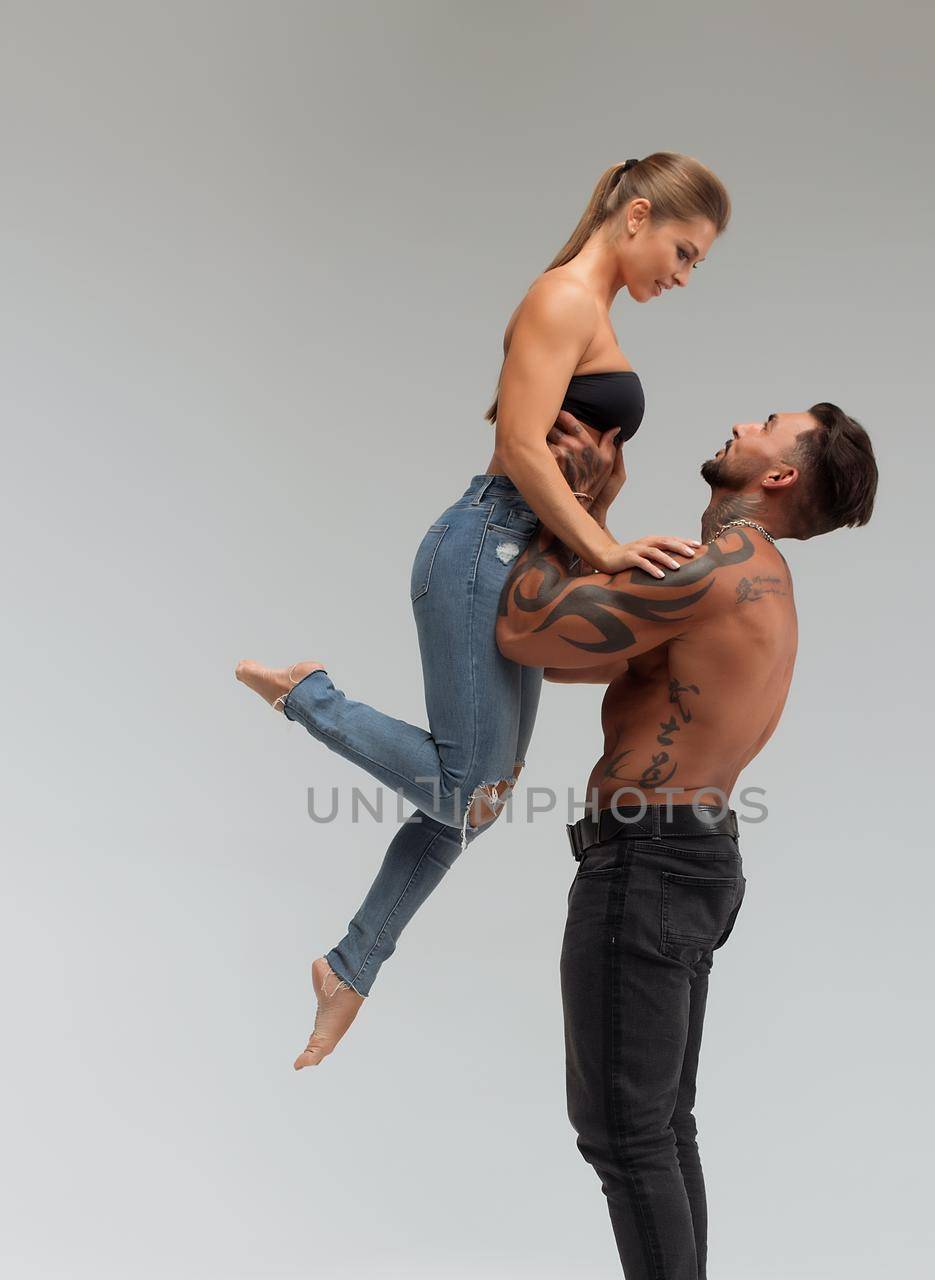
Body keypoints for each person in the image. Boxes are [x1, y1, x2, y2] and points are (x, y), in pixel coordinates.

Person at [234, 152, 730, 1070]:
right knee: (471, 789)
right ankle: (309, 695)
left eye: (697, 262)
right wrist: (606, 550)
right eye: (684, 249)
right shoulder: (561, 298)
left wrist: (602, 510)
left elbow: (560, 461)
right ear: (636, 214)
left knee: (473, 804)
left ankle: (348, 968)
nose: (683, 273)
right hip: (482, 552)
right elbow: (516, 446)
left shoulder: (592, 310)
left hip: (519, 558)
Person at [495, 402, 879, 1280]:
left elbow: (522, 633)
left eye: (767, 423)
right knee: (660, 1123)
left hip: (647, 862)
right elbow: (575, 663)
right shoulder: (722, 577)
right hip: (684, 856)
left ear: (779, 478)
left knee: (622, 1130)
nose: (739, 421)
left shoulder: (714, 571)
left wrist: (562, 500)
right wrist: (599, 531)